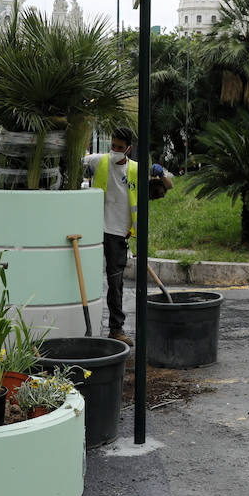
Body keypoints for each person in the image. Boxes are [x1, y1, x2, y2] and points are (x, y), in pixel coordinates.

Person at [83, 129, 173, 346]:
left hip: (118, 233)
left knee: (115, 284)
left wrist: (160, 173)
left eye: (120, 147)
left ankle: (116, 329)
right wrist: (83, 170)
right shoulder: (98, 161)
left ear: (129, 149)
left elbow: (168, 186)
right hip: (94, 230)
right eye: (112, 146)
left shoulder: (136, 169)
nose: (114, 150)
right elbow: (74, 162)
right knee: (88, 278)